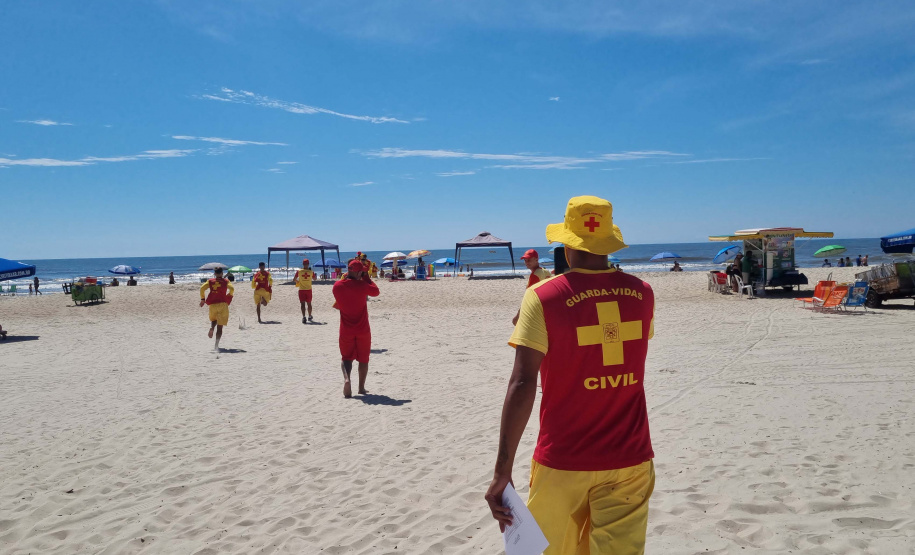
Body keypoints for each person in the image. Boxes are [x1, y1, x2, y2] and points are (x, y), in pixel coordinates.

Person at [485, 195, 656, 555]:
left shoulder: (543, 296)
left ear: (566, 240)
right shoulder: (642, 293)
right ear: (608, 238)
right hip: (630, 458)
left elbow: (522, 381)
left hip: (564, 459)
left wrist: (502, 471)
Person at [332, 258, 380, 398]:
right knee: (363, 359)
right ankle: (361, 388)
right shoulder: (363, 286)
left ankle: (347, 379)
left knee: (346, 358)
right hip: (363, 330)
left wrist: (355, 277)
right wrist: (366, 278)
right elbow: (376, 291)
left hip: (346, 330)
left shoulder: (337, 286)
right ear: (359, 272)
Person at [513, 249, 552, 325]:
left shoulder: (535, 275)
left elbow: (529, 297)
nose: (527, 262)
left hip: (537, 309)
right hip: (547, 307)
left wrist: (518, 315)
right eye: (525, 260)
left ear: (536, 259)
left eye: (529, 260)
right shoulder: (546, 271)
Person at [199, 267, 234, 351]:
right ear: (222, 273)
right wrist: (229, 295)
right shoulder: (226, 281)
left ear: (215, 274)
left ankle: (212, 328)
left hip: (213, 305)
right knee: (220, 326)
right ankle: (216, 345)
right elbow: (232, 289)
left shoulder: (210, 281)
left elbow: (202, 288)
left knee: (214, 319)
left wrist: (203, 299)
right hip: (222, 304)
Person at [295, 258, 316, 323]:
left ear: (303, 264)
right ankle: (309, 316)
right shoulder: (311, 272)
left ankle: (304, 317)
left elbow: (294, 279)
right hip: (308, 289)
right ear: (308, 264)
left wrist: (299, 282)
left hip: (301, 289)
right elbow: (315, 279)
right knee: (309, 304)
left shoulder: (299, 271)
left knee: (302, 304)